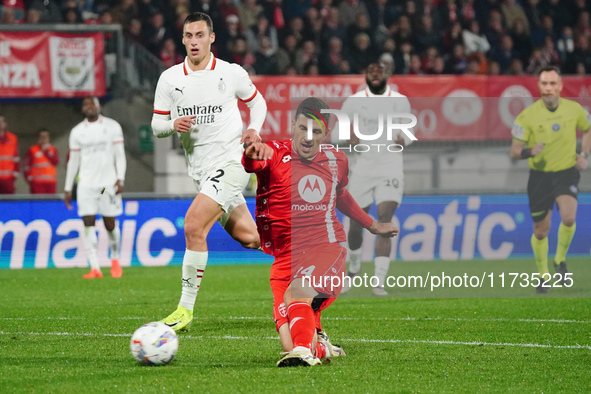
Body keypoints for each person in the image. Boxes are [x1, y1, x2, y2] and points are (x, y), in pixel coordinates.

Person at [242, 97, 399, 367]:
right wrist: (250, 154)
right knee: (287, 340)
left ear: (326, 134)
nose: (308, 137)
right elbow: (252, 163)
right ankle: (319, 346)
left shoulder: (337, 159)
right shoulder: (274, 152)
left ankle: (303, 353)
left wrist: (371, 224)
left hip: (325, 246)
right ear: (293, 126)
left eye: (316, 131)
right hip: (284, 258)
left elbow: (340, 194)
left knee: (298, 293)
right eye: (303, 128)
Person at [151, 12, 267, 331]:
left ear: (211, 38)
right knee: (252, 238)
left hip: (231, 164)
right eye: (189, 36)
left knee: (192, 226)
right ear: (183, 39)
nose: (193, 42)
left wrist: (254, 131)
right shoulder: (170, 79)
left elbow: (258, 103)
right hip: (202, 171)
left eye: (200, 35)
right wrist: (171, 125)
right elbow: (156, 125)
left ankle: (184, 310)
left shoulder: (230, 73)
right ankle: (303, 252)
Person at [510, 66, 591, 294]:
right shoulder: (527, 116)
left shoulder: (574, 110)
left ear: (560, 86)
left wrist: (583, 155)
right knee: (540, 232)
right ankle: (543, 275)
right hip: (540, 177)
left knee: (568, 217)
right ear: (538, 86)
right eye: (544, 84)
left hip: (566, 172)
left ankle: (560, 259)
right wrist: (529, 151)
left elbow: (588, 129)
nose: (548, 88)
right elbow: (515, 151)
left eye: (552, 83)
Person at [339, 61, 414, 296]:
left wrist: (405, 140)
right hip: (363, 168)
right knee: (354, 224)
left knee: (384, 219)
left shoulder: (400, 100)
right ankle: (354, 268)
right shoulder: (354, 101)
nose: (374, 75)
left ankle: (379, 281)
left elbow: (410, 132)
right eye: (370, 72)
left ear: (387, 76)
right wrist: (347, 137)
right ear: (365, 76)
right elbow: (337, 131)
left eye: (378, 72)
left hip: (390, 167)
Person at [64, 96, 127, 279]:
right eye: (86, 104)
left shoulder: (112, 126)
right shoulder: (77, 132)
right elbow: (73, 161)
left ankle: (114, 258)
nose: (89, 107)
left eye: (92, 103)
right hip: (86, 185)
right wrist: (68, 188)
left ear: (99, 106)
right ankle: (95, 267)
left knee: (110, 223)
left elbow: (120, 155)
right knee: (88, 222)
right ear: (83, 109)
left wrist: (120, 178)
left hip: (106, 184)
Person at [24, 128, 59, 194]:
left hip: (50, 182)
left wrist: (47, 151)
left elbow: (56, 162)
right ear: (38, 138)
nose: (44, 138)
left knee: (50, 202)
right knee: (38, 202)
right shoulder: (32, 150)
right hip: (37, 183)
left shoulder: (53, 149)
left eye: (46, 136)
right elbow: (26, 166)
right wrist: (30, 180)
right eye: (42, 136)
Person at [0, 116, 20, 194]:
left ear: (5, 124)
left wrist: (15, 174)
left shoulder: (12, 138)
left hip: (8, 179)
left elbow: (16, 158)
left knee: (9, 202)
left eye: (1, 121)